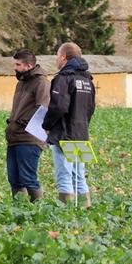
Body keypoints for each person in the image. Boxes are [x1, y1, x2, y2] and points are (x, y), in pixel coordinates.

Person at [42, 42, 96, 206]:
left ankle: (66, 216)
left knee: (64, 176)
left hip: (64, 135)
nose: (57, 60)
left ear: (64, 57)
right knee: (79, 176)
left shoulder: (63, 79)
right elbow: (91, 108)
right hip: (81, 134)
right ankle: (85, 210)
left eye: (57, 56)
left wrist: (47, 125)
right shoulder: (88, 80)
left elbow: (58, 106)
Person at [6, 49, 50, 202]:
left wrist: (28, 126)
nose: (15, 68)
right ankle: (20, 211)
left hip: (29, 138)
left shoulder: (41, 83)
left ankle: (38, 211)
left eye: (18, 64)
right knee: (14, 179)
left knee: (28, 178)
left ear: (29, 65)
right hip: (14, 137)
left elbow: (43, 110)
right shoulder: (22, 83)